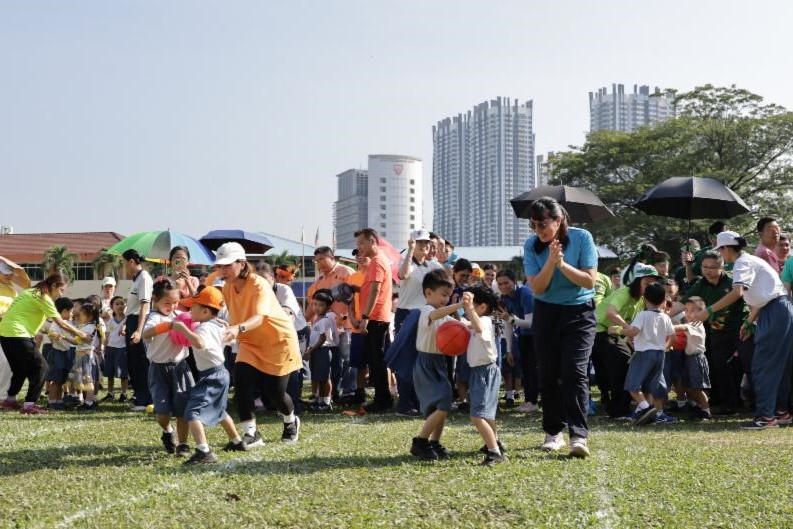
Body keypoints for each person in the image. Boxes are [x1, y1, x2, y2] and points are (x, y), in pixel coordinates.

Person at [690, 231, 793, 430]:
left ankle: (766, 418)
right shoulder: (751, 260)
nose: (721, 254)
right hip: (779, 308)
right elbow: (765, 296)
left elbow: (738, 292)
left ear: (726, 248)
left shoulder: (741, 263)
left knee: (763, 365)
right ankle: (781, 413)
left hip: (774, 311)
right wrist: (749, 321)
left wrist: (708, 311)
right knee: (779, 365)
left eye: (720, 249)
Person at [523, 197, 598, 458]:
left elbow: (589, 281)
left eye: (543, 224)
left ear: (559, 220)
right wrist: (550, 262)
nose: (538, 231)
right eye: (533, 225)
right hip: (546, 313)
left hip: (579, 314)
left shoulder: (582, 237)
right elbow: (537, 287)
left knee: (575, 372)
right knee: (548, 373)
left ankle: (578, 435)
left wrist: (562, 264)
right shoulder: (532, 246)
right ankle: (553, 432)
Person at [215, 242, 302, 445]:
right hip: (250, 343)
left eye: (227, 265)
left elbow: (259, 317)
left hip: (278, 342)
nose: (222, 270)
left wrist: (238, 329)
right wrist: (226, 326)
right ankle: (251, 433)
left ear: (242, 263)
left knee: (275, 394)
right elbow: (235, 314)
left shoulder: (258, 284)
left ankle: (291, 421)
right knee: (242, 382)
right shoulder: (227, 288)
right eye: (219, 266)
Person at [170, 286, 247, 464]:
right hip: (219, 373)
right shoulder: (215, 324)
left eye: (193, 307)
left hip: (212, 375)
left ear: (205, 311)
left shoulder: (202, 329)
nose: (189, 310)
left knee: (192, 412)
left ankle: (204, 451)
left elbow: (199, 343)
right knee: (219, 410)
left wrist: (183, 330)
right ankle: (237, 441)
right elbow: (230, 339)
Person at [671, 251, 750, 415]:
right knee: (720, 366)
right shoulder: (700, 284)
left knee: (749, 365)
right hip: (718, 331)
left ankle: (756, 403)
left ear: (722, 267)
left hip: (742, 328)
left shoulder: (733, 281)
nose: (708, 271)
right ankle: (728, 404)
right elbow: (681, 304)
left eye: (713, 267)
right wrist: (661, 317)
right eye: (705, 267)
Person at [0, 273, 88, 414]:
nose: (60, 294)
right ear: (53, 286)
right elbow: (61, 323)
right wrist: (80, 334)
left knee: (20, 368)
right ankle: (29, 404)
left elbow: (24, 315)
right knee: (42, 367)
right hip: (17, 333)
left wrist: (45, 330)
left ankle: (9, 401)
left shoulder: (29, 292)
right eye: (61, 290)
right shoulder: (43, 297)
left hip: (5, 333)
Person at [410, 270, 469, 461]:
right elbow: (437, 314)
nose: (446, 299)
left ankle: (434, 442)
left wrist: (476, 321)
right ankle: (420, 441)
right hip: (426, 363)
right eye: (443, 295)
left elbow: (462, 325)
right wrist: (458, 304)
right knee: (442, 404)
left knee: (443, 405)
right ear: (428, 293)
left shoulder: (444, 316)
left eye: (448, 296)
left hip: (439, 363)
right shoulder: (426, 310)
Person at [592, 264, 661, 419]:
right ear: (637, 282)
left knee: (629, 361)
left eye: (653, 284)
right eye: (646, 283)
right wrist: (628, 329)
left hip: (614, 333)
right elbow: (610, 313)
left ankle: (623, 406)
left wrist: (631, 335)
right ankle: (618, 410)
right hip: (598, 330)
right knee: (622, 362)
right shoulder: (625, 292)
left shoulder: (642, 300)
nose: (650, 287)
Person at [608, 282, 677, 426]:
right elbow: (673, 337)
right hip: (660, 354)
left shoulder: (643, 315)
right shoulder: (665, 317)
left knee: (633, 386)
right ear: (664, 301)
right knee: (651, 386)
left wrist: (617, 330)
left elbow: (633, 332)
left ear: (645, 300)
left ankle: (646, 408)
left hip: (643, 354)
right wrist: (664, 347)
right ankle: (654, 413)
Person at [141, 278, 195, 456]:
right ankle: (167, 432)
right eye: (167, 303)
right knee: (162, 414)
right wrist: (168, 326)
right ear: (155, 299)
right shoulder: (154, 317)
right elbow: (146, 334)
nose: (172, 306)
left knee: (182, 409)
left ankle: (183, 444)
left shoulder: (179, 316)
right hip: (158, 370)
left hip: (180, 368)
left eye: (175, 302)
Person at [395, 229, 442, 415]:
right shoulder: (405, 261)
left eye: (426, 243)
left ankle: (420, 401)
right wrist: (410, 250)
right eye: (419, 243)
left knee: (423, 359)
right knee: (406, 360)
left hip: (425, 314)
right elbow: (403, 275)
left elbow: (447, 277)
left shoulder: (432, 265)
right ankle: (405, 404)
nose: (424, 246)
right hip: (406, 313)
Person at [256, 263, 309, 412]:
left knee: (293, 369)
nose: (262, 282)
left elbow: (288, 313)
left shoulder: (284, 289)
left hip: (296, 332)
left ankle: (294, 405)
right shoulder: (256, 293)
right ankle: (274, 404)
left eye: (265, 278)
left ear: (272, 278)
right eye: (258, 279)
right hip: (273, 333)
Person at [305, 246, 354, 404]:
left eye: (322, 259)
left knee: (347, 360)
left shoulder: (346, 272)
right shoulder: (319, 281)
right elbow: (312, 306)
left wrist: (351, 317)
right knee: (332, 363)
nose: (320, 263)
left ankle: (349, 392)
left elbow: (356, 298)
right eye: (317, 260)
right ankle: (333, 393)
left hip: (345, 324)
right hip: (326, 331)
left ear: (332, 257)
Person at [463, 286, 506, 466]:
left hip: (485, 371)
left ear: (481, 307)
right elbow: (467, 324)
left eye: (472, 306)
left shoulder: (486, 321)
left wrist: (469, 307)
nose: (467, 310)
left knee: (477, 415)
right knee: (487, 415)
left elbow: (478, 326)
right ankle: (495, 443)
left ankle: (494, 452)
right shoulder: (478, 321)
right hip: (481, 371)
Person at [355, 228, 394, 413]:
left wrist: (365, 317)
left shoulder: (377, 261)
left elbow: (375, 291)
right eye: (358, 244)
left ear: (372, 241)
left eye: (361, 243)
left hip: (375, 318)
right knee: (375, 360)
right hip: (376, 318)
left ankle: (382, 400)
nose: (359, 247)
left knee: (377, 362)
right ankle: (382, 398)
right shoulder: (377, 261)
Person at [495, 269, 537, 413]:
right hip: (524, 335)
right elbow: (507, 323)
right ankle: (530, 401)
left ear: (514, 281)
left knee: (537, 369)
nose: (503, 286)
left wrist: (510, 319)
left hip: (539, 334)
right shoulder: (504, 298)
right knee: (527, 369)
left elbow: (531, 323)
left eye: (506, 282)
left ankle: (533, 401)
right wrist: (508, 350)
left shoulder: (526, 293)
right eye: (500, 284)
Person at [122, 249, 154, 411]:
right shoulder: (136, 279)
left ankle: (146, 399)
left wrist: (139, 330)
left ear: (132, 261)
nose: (125, 266)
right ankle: (139, 396)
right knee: (133, 363)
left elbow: (145, 306)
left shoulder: (144, 278)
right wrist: (126, 326)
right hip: (132, 321)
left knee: (142, 362)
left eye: (125, 262)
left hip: (140, 322)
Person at [674, 297, 712, 420]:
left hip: (697, 359)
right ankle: (699, 407)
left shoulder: (696, 324)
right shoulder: (691, 324)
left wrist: (666, 325)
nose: (688, 313)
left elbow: (683, 327)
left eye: (692, 310)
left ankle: (706, 410)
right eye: (686, 310)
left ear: (701, 312)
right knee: (689, 386)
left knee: (697, 387)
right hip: (690, 358)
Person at [303, 289, 338, 411]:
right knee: (319, 377)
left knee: (324, 378)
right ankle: (320, 400)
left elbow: (322, 339)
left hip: (322, 351)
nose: (317, 308)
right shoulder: (317, 320)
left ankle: (326, 402)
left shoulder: (324, 320)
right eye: (315, 304)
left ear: (328, 307)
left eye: (321, 305)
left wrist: (310, 350)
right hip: (316, 351)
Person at [38, 297, 75, 410]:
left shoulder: (66, 322)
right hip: (58, 354)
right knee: (56, 380)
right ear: (64, 311)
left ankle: (58, 401)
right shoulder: (57, 323)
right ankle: (52, 402)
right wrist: (56, 337)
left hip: (65, 353)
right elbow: (52, 334)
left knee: (61, 380)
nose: (72, 314)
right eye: (71, 311)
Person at [344, 250, 370, 405]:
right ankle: (360, 392)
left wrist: (365, 320)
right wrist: (352, 318)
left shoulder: (374, 275)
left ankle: (385, 389)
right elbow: (350, 301)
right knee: (358, 363)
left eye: (362, 254)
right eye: (357, 254)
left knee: (377, 362)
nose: (359, 257)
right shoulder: (352, 277)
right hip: (356, 326)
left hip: (372, 324)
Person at [102, 296, 129, 403]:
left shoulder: (128, 320)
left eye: (122, 303)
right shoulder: (110, 321)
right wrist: (103, 347)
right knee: (109, 373)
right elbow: (107, 335)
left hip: (122, 349)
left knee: (123, 373)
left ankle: (124, 394)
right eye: (117, 304)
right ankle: (110, 393)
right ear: (112, 307)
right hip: (110, 349)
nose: (120, 306)